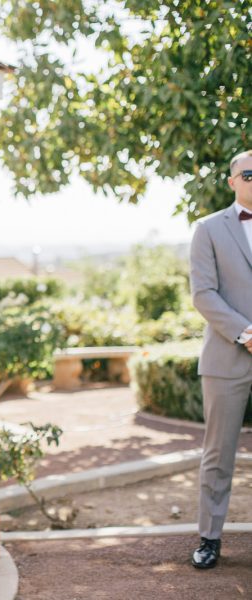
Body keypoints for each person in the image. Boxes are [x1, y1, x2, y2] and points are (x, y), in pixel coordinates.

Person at [189, 148, 252, 569]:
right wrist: (246, 333)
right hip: (228, 356)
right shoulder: (208, 228)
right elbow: (203, 293)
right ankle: (209, 539)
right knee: (218, 453)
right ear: (232, 181)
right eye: (249, 173)